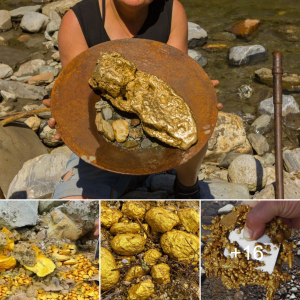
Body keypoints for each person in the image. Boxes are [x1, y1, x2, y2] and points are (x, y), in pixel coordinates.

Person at [44, 0, 223, 200]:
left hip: (160, 144)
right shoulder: (79, 21)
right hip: (102, 146)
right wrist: (66, 119)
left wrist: (202, 97)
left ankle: (186, 185)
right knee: (72, 206)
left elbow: (177, 80)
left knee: (196, 125)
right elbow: (76, 94)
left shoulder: (171, 11)